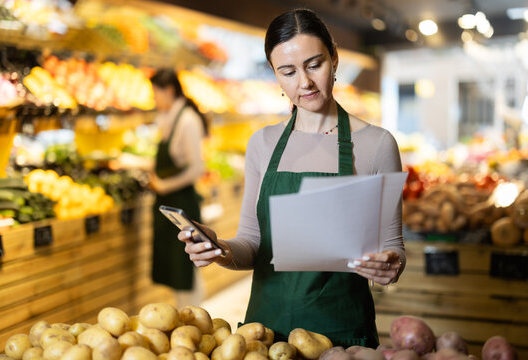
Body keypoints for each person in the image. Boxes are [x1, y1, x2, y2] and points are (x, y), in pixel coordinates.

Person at [178, 9, 405, 348]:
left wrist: (390, 265)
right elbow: (252, 245)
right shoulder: (263, 143)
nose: (305, 83)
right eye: (288, 71)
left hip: (342, 339)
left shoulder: (376, 144)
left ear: (335, 58)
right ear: (275, 75)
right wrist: (219, 248)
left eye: (315, 64)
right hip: (263, 338)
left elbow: (393, 249)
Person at [149, 68, 208, 307]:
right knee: (176, 270)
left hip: (182, 205)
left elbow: (197, 168)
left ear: (169, 90)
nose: (154, 99)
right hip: (169, 204)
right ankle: (184, 318)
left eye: (155, 93)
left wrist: (163, 185)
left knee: (187, 270)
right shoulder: (169, 118)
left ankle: (194, 318)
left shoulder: (187, 121)